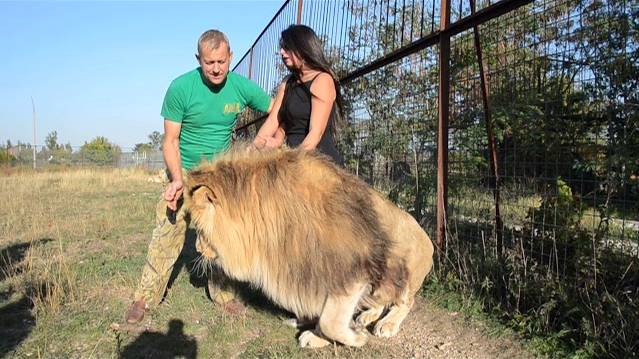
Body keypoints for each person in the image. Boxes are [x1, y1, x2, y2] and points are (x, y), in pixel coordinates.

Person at [125, 29, 273, 324]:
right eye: (209, 63)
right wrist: (176, 179)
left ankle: (223, 295)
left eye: (221, 61)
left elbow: (274, 109)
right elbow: (170, 141)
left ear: (230, 57)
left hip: (218, 182)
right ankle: (144, 297)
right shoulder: (181, 88)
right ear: (198, 60)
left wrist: (266, 140)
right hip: (185, 175)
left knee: (219, 239)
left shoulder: (241, 87)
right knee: (167, 234)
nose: (216, 68)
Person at [253, 25, 344, 165]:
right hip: (291, 157)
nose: (282, 52)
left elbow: (315, 134)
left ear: (303, 48)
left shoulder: (323, 80)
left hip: (318, 163)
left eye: (287, 47)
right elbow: (273, 121)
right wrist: (253, 149)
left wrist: (292, 165)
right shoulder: (287, 82)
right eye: (282, 48)